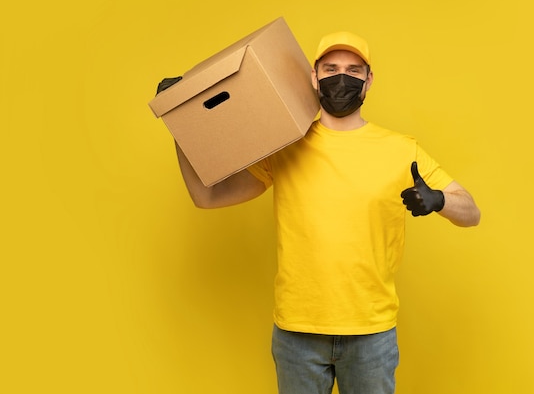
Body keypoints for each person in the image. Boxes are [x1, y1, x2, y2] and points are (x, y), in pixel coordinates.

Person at [171, 31, 480, 394]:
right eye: (331, 69)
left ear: (369, 80)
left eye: (353, 70)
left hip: (371, 334)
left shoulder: (401, 150)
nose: (342, 78)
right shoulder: (285, 147)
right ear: (314, 77)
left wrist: (440, 200)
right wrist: (180, 121)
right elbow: (207, 196)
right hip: (297, 334)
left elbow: (471, 212)